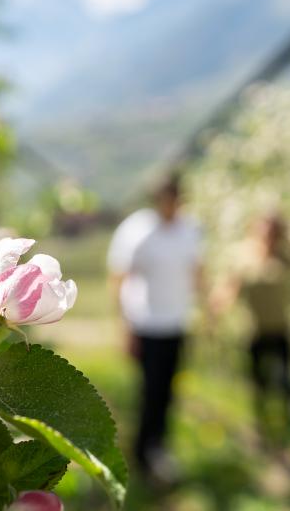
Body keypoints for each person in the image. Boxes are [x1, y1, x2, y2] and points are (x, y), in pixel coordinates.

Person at [107, 175, 206, 483]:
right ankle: (144, 452)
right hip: (146, 324)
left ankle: (157, 447)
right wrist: (123, 325)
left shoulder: (190, 229)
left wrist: (208, 306)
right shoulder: (137, 230)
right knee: (150, 390)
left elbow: (197, 271)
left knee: (167, 390)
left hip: (176, 323)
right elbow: (119, 277)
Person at [216, 213, 290, 455]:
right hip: (255, 331)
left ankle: (288, 437)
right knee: (260, 384)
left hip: (281, 329)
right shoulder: (245, 257)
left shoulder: (287, 255)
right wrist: (218, 307)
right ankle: (262, 430)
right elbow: (231, 286)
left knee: (286, 385)